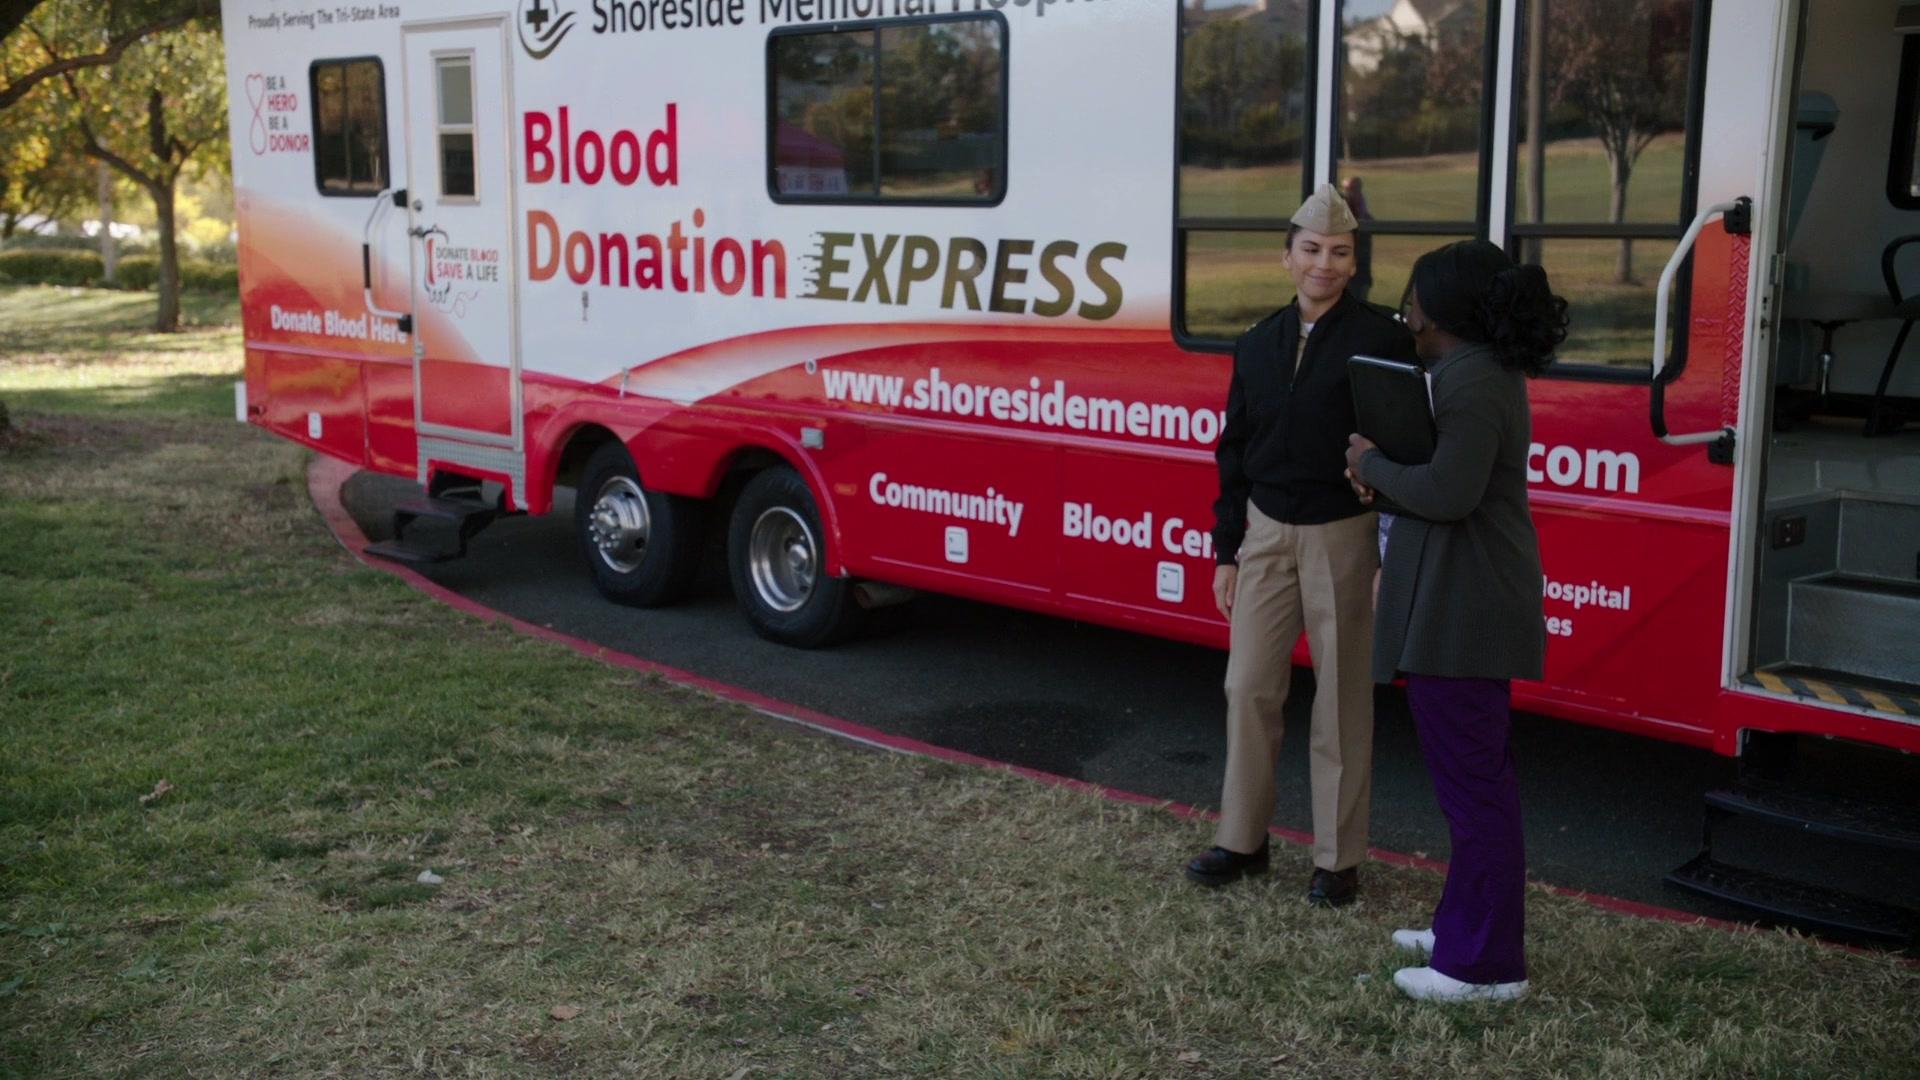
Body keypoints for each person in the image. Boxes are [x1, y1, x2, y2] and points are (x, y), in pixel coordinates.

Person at [1343, 239, 1568, 1003]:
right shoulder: (1473, 371)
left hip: (1465, 611)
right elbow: (1443, 483)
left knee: (1476, 794)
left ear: (1440, 312)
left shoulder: (1470, 381)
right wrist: (1388, 481)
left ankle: (1485, 968)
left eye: (1413, 300)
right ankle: (1463, 928)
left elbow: (1450, 493)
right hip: (1457, 603)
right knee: (1471, 787)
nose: (1405, 314)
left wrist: (1370, 464)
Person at [1185, 184, 1419, 907]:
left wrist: (1386, 538)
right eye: (1312, 250)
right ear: (1286, 257)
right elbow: (1234, 449)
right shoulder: (1257, 342)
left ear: (1354, 262)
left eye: (1340, 252)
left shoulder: (1383, 340)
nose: (1325, 264)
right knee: (1247, 686)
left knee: (1343, 700)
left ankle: (1337, 859)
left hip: (1343, 537)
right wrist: (1227, 549)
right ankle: (1242, 841)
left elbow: (1406, 445)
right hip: (1264, 532)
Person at [1339, 176, 1375, 303]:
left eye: (1349, 189)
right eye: (1345, 189)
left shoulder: (1360, 213)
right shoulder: (1354, 209)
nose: (1347, 193)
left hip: (1358, 275)